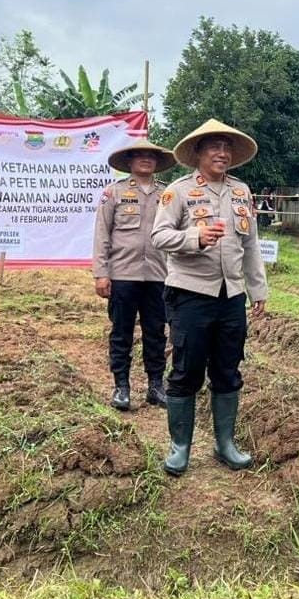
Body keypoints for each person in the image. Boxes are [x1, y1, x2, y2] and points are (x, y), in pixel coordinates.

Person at [152, 119, 268, 476]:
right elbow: (158, 236)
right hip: (190, 293)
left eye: (227, 147)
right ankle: (180, 447)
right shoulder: (179, 191)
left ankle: (225, 444)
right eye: (214, 147)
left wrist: (257, 289)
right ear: (198, 153)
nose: (222, 153)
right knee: (186, 369)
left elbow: (250, 245)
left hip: (230, 295)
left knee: (228, 369)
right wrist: (194, 238)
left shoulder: (241, 191)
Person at [94, 138, 177, 411]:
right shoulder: (114, 192)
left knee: (156, 332)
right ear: (129, 161)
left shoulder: (167, 195)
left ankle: (155, 385)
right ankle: (122, 386)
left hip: (158, 275)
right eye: (139, 155)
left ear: (157, 163)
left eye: (150, 156)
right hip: (123, 275)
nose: (145, 159)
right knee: (122, 333)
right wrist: (101, 273)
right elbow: (102, 235)